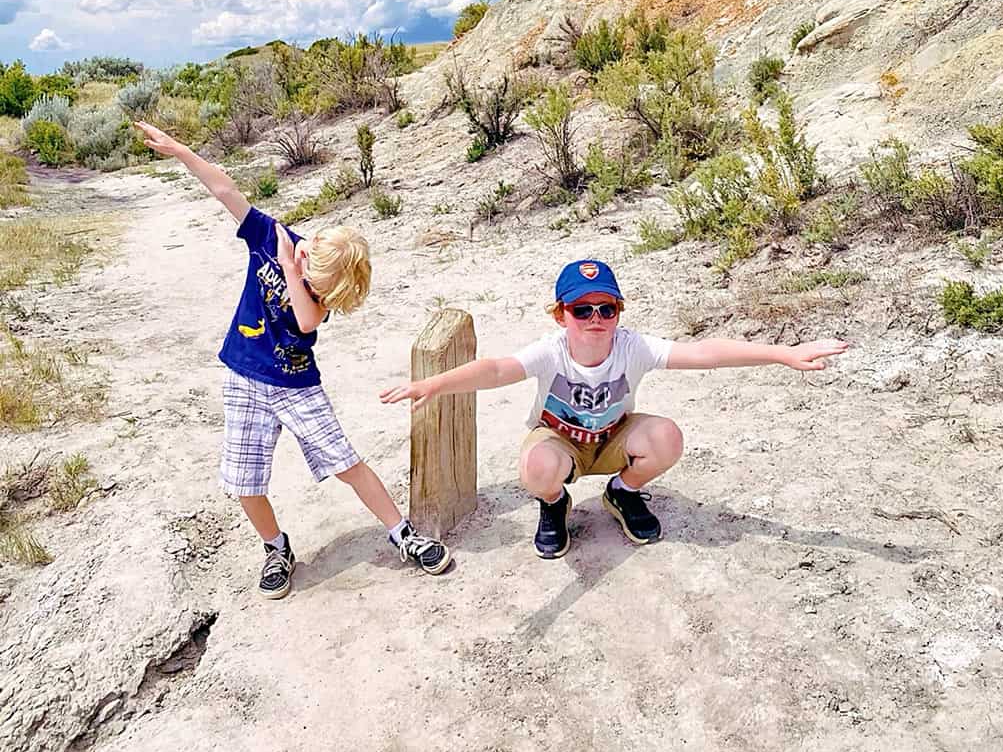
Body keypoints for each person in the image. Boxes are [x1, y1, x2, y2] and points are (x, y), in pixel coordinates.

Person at [135, 121, 452, 598]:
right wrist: (180, 148)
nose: (311, 286)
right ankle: (275, 546)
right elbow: (225, 188)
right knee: (245, 478)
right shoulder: (269, 235)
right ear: (315, 251)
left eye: (320, 290)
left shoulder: (317, 290)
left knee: (347, 462)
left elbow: (305, 322)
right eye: (311, 277)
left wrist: (292, 270)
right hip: (245, 375)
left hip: (297, 385)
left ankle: (401, 533)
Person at [381, 258, 848, 559]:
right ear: (561, 314)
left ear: (619, 311)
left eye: (606, 309)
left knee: (666, 436)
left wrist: (783, 353)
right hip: (561, 441)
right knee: (538, 465)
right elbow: (497, 369)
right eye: (582, 311)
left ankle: (622, 493)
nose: (596, 320)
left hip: (612, 439)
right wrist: (435, 384)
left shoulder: (633, 347)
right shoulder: (551, 351)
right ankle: (554, 504)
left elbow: (705, 353)